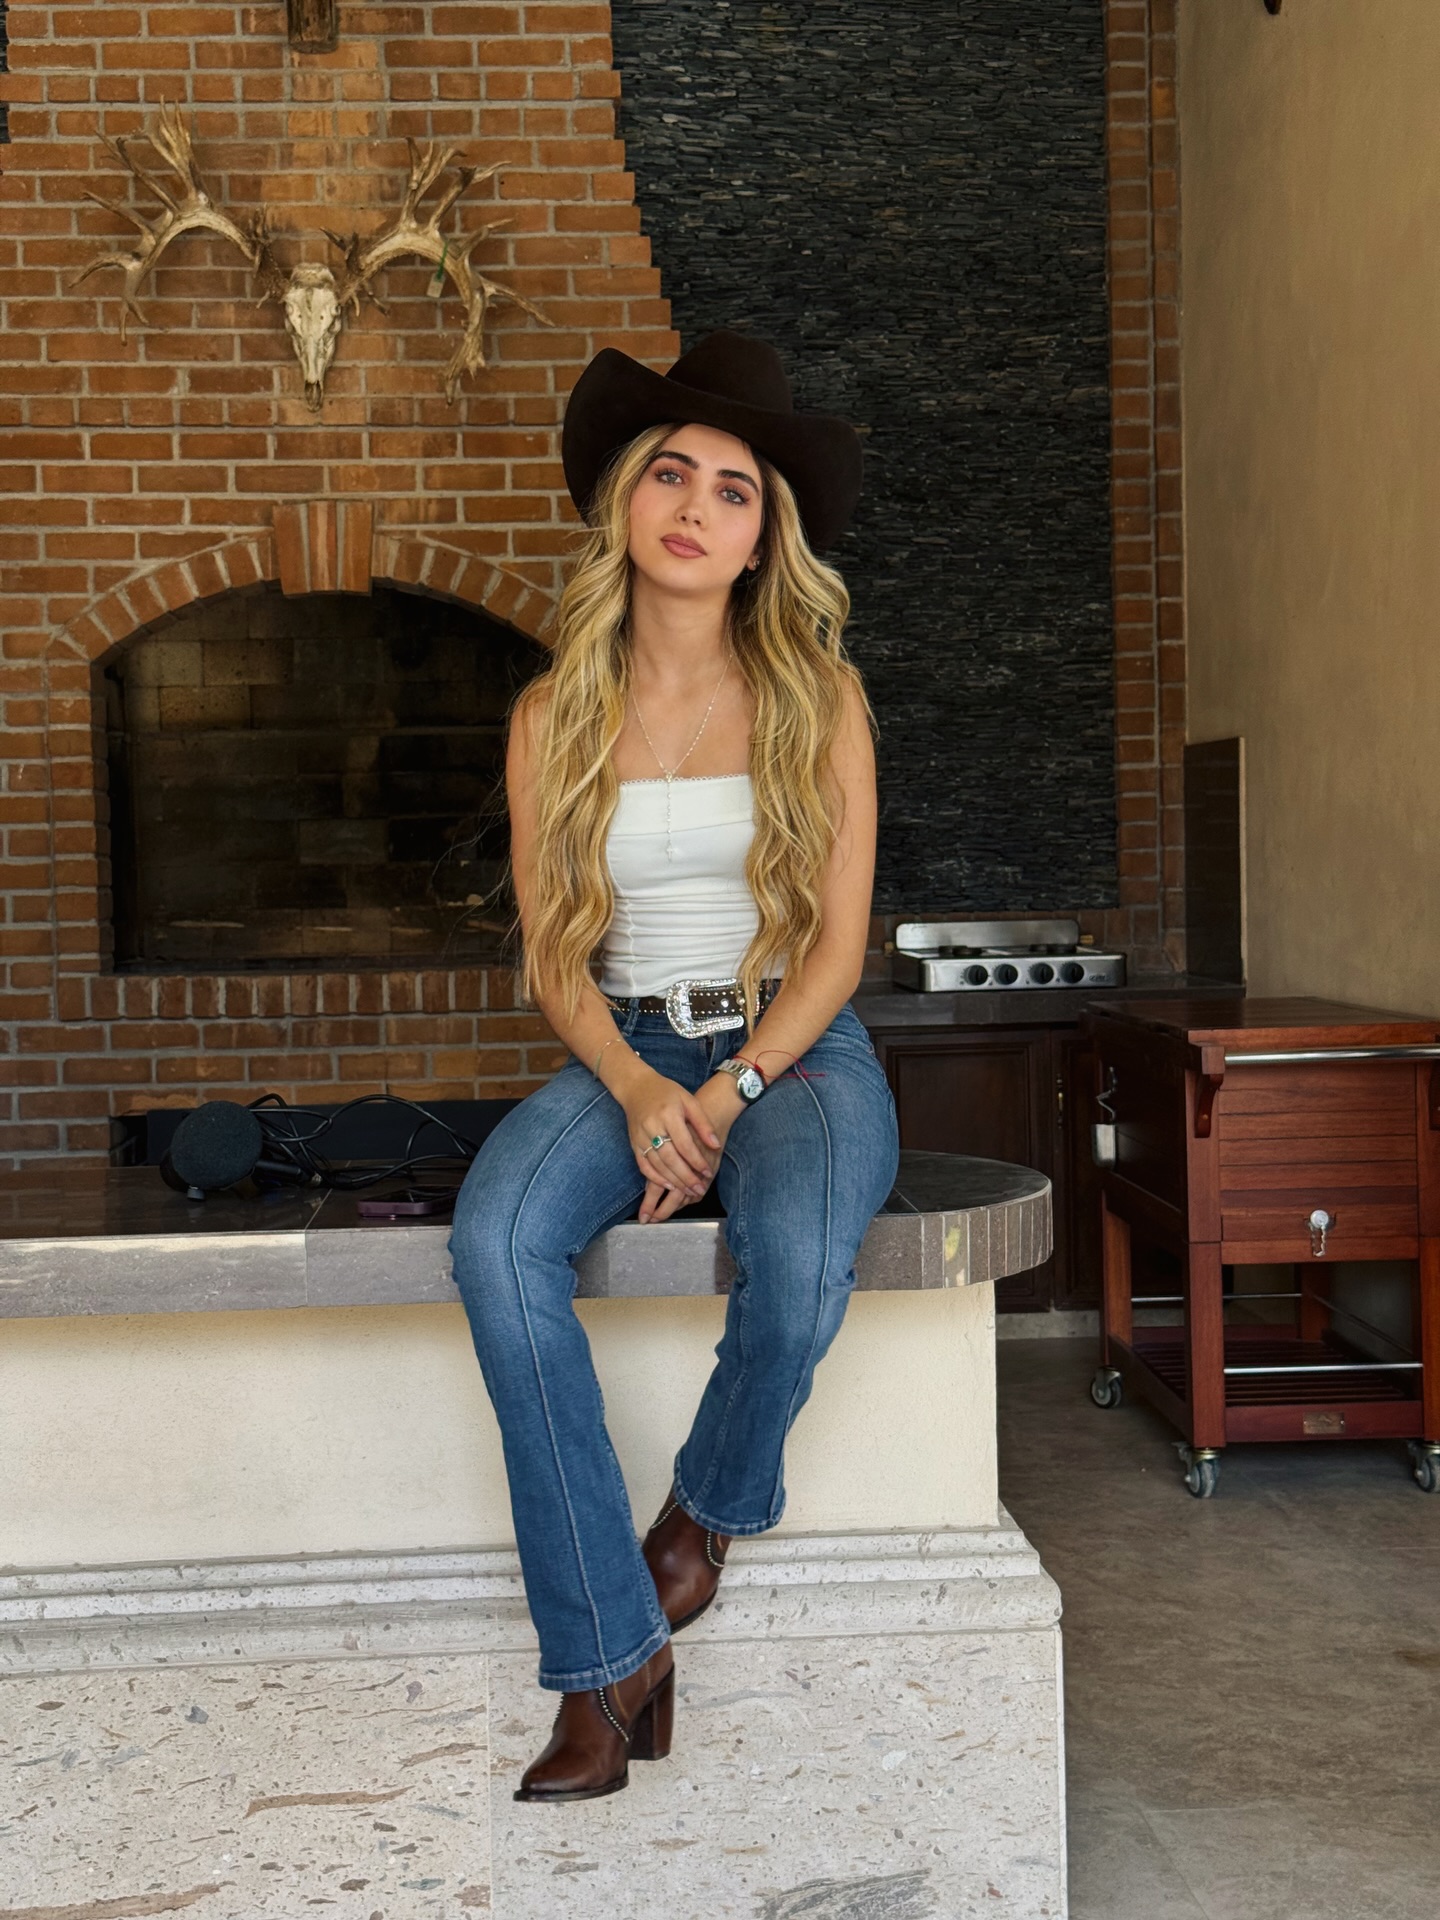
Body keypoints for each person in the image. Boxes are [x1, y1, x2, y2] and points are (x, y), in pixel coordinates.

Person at [448, 330, 900, 1804]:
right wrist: (646, 1089)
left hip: (795, 1047)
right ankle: (610, 1656)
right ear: (626, 506)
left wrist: (725, 1093)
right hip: (626, 1043)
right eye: (670, 475)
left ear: (765, 538)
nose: (697, 507)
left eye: (734, 490)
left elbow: (837, 953)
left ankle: (699, 1520)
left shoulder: (820, 698)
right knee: (496, 1237)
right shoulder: (551, 716)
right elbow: (552, 961)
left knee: (797, 1249)